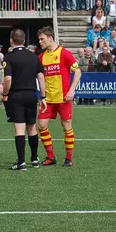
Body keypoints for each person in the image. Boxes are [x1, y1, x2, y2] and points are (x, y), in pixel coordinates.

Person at [36, 26, 82, 167]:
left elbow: (78, 72)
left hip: (63, 98)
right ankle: (51, 157)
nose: (40, 42)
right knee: (41, 125)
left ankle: (68, 158)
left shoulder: (64, 53)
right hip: (48, 99)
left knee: (66, 125)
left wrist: (71, 91)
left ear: (50, 38)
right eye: (39, 39)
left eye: (42, 39)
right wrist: (41, 97)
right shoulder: (41, 57)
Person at [2, 29, 47, 171]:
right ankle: (34, 159)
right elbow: (41, 78)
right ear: (24, 40)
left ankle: (21, 162)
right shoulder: (34, 56)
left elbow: (8, 79)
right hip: (31, 95)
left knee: (19, 128)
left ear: (11, 40)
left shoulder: (9, 57)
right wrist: (43, 97)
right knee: (32, 127)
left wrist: (4, 93)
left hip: (16, 95)